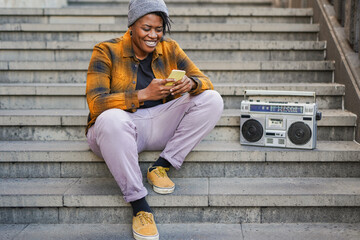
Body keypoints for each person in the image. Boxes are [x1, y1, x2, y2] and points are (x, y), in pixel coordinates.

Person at [85, 0, 223, 239]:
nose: (153, 35)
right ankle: (139, 205)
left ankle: (162, 165)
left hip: (158, 124)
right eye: (146, 28)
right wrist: (141, 95)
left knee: (212, 99)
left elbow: (204, 79)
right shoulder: (105, 50)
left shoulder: (170, 48)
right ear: (132, 26)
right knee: (110, 119)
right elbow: (96, 103)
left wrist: (192, 83)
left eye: (158, 29)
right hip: (117, 131)